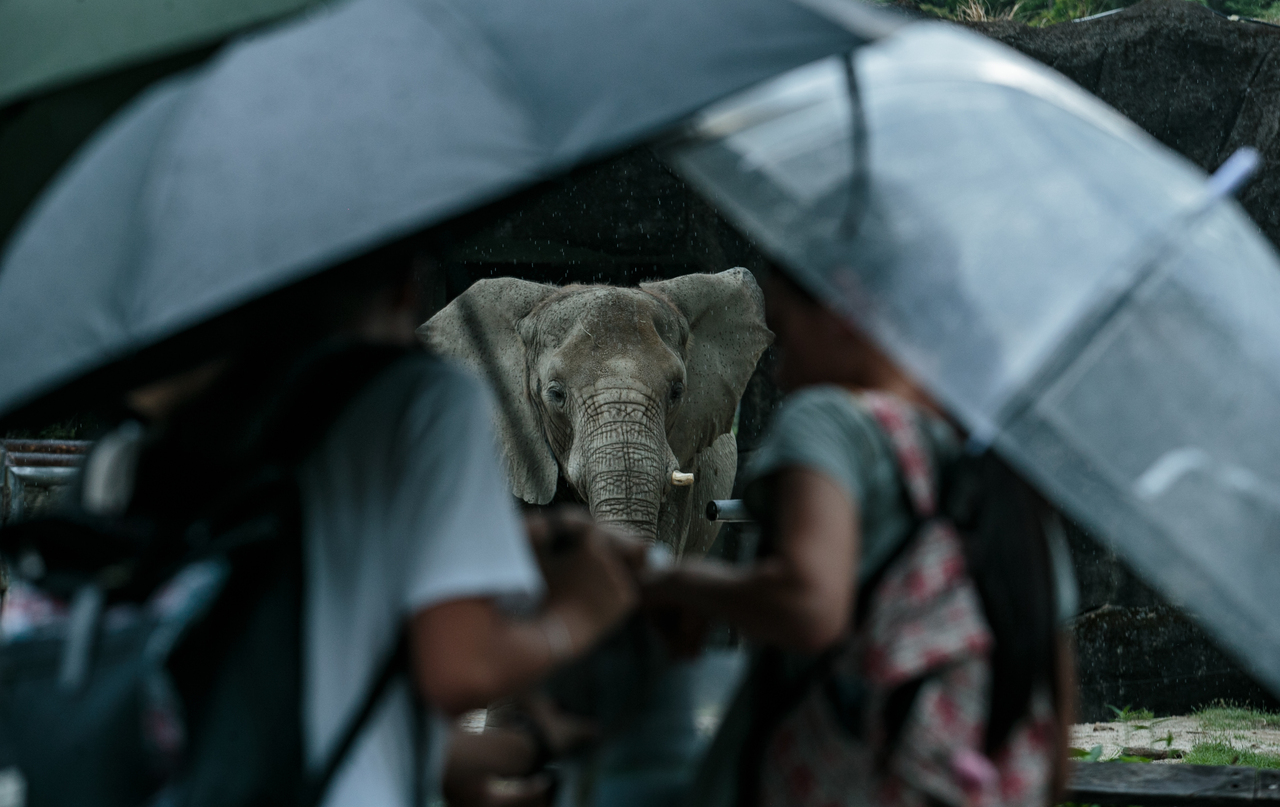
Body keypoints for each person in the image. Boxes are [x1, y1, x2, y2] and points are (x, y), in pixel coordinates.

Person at [113, 250, 641, 807]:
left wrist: (501, 754)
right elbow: (461, 670)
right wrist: (582, 613)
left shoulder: (159, 435)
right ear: (401, 286)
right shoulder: (423, 398)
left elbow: (288, 696)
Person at [643, 268, 1075, 807]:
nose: (780, 375)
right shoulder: (1009, 481)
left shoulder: (829, 422)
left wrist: (667, 580)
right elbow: (1052, 715)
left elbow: (809, 604)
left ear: (846, 310)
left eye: (785, 335)